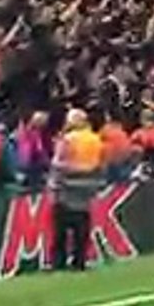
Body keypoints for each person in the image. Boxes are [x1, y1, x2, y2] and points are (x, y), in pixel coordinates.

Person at [50, 109, 104, 271]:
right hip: (86, 189)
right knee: (82, 228)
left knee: (61, 230)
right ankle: (79, 261)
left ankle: (59, 263)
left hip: (67, 188)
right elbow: (101, 164)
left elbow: (57, 164)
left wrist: (55, 184)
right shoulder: (96, 139)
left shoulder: (68, 139)